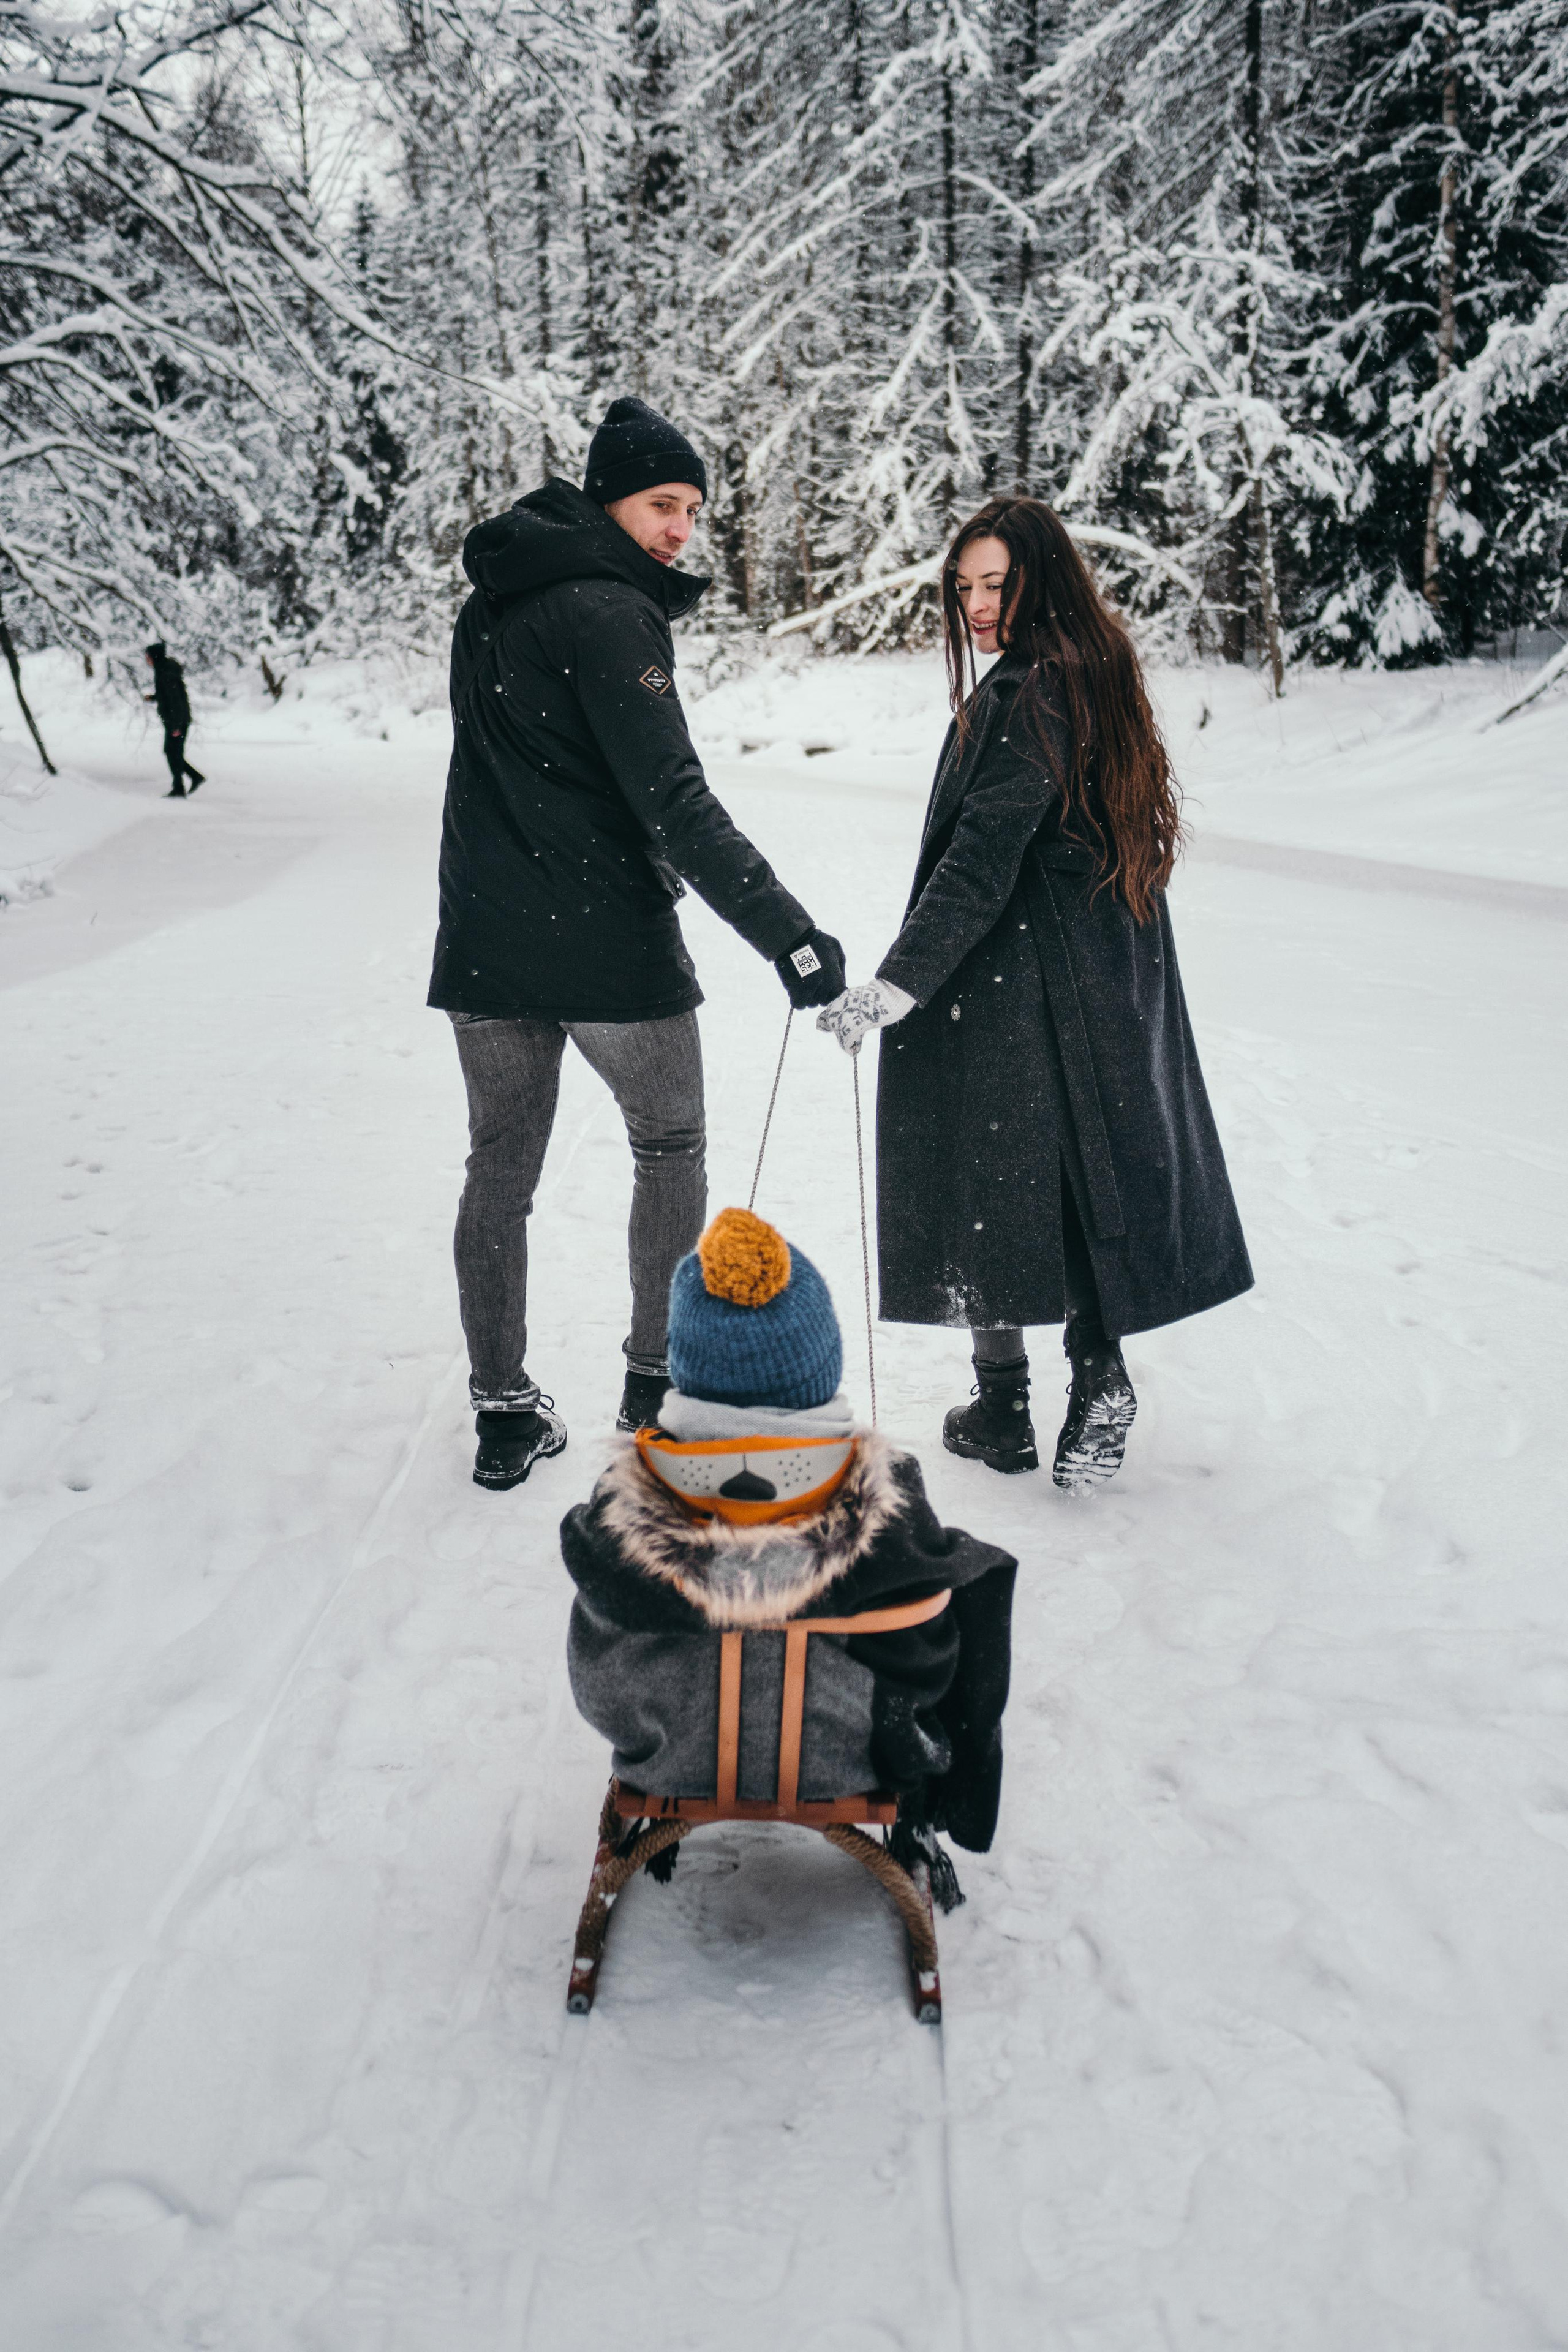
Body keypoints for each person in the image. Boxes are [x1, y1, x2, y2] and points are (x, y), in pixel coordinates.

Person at [429, 397, 846, 1492]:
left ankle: (503, 1411)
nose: (679, 531)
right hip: (604, 939)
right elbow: (673, 798)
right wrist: (787, 931)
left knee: (499, 1173)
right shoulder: (610, 610)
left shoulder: (496, 601)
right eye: (664, 505)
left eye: (694, 512)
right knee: (670, 1146)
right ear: (610, 497)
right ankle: (653, 1381)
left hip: (487, 935)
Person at [818, 496, 1253, 1490]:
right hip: (1105, 963)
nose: (975, 605)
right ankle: (1067, 1384)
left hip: (1023, 972)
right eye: (964, 586)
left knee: (993, 1170)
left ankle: (1023, 1397)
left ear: (1039, 580)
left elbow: (978, 862)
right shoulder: (1093, 669)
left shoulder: (1029, 693)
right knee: (1077, 1172)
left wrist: (891, 989)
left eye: (996, 584)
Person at [561, 1207, 1016, 1875]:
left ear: (685, 1367)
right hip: (848, 1754)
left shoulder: (623, 1506)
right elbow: (933, 1660)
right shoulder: (887, 1500)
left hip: (668, 1749)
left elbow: (595, 1675)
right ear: (818, 1363)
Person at [144, 644, 204, 797]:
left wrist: (176, 726)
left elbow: (175, 700)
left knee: (172, 752)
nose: (146, 660)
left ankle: (183, 785)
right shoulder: (164, 670)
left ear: (154, 657)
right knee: (173, 753)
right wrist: (154, 697)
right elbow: (167, 695)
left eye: (148, 656)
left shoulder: (166, 673)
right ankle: (186, 783)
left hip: (177, 721)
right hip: (176, 719)